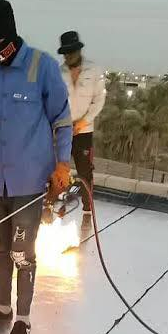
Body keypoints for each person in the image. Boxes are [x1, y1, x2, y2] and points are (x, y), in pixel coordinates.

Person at [0, 0, 72, 334]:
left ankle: (23, 319)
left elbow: (62, 121)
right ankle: (2, 308)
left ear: (10, 33)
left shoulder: (42, 67)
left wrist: (62, 164)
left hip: (28, 183)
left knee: (22, 254)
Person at [58, 31, 106, 212]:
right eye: (65, 53)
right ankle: (54, 206)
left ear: (78, 50)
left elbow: (99, 100)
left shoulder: (94, 71)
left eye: (71, 52)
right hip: (63, 131)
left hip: (84, 132)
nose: (68, 56)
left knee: (85, 172)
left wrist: (83, 122)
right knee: (59, 169)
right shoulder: (59, 72)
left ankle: (87, 210)